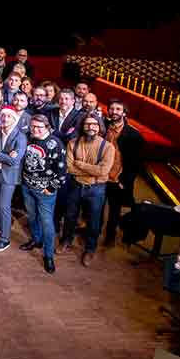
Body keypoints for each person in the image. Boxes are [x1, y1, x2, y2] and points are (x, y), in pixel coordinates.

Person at [61, 115, 116, 267]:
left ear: (99, 127)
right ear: (82, 126)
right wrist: (92, 171)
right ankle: (66, 241)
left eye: (94, 125)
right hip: (76, 186)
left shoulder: (108, 147)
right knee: (70, 216)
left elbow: (104, 171)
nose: (91, 127)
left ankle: (90, 249)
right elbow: (70, 168)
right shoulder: (73, 143)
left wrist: (81, 165)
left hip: (96, 189)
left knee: (94, 221)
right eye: (87, 124)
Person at [19, 114, 67, 274]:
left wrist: (51, 188)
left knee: (47, 222)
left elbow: (62, 170)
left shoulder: (55, 143)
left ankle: (48, 255)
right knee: (32, 216)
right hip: (27, 186)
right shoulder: (29, 138)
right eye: (33, 127)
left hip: (45, 191)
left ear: (47, 127)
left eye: (39, 127)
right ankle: (36, 240)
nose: (35, 130)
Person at [102, 100, 145, 248]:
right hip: (101, 176)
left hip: (117, 179)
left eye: (118, 109)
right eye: (112, 109)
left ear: (124, 113)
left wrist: (124, 181)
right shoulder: (104, 127)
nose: (114, 111)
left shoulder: (133, 135)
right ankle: (92, 231)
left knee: (114, 211)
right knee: (97, 207)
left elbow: (136, 164)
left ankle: (110, 235)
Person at [0, 105, 27, 253]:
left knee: (4, 205)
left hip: (9, 176)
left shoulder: (20, 136)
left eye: (8, 116)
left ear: (14, 118)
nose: (5, 118)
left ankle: (5, 238)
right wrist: (4, 155)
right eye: (3, 116)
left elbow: (15, 161)